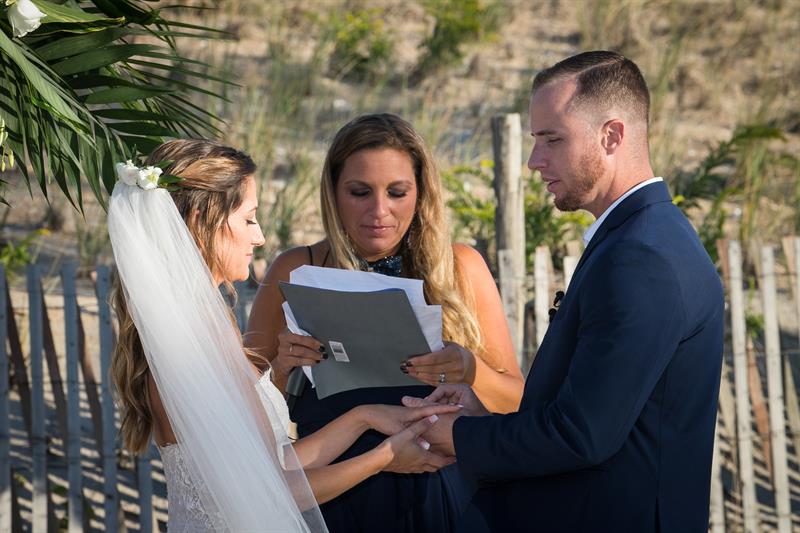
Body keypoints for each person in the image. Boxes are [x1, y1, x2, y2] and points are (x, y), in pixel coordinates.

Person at [406, 51, 725, 532]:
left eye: (552, 140)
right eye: (536, 141)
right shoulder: (648, 236)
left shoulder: (642, 258)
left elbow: (583, 434)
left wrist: (462, 436)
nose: (535, 161)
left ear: (611, 135)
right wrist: (480, 412)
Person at [108, 139, 458, 532]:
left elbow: (273, 464)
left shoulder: (203, 328)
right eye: (248, 218)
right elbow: (272, 490)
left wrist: (366, 417)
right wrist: (384, 457)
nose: (258, 238)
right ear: (200, 219)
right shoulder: (188, 346)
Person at [245, 113, 524, 532]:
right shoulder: (295, 268)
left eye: (397, 192)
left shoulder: (460, 267)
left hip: (444, 495)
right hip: (338, 495)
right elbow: (245, 417)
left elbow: (518, 403)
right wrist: (281, 369)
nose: (380, 211)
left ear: (421, 192)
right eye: (359, 192)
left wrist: (471, 369)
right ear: (333, 193)